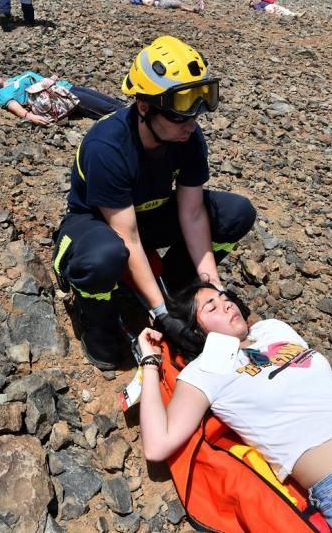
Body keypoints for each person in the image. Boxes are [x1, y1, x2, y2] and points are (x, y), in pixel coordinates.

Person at [53, 36, 256, 370]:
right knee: (104, 257)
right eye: (180, 115)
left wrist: (212, 285)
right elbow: (127, 236)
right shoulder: (107, 146)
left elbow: (192, 214)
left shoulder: (187, 136)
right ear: (145, 107)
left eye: (197, 110)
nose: (192, 124)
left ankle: (182, 284)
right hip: (100, 224)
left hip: (150, 215)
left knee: (236, 213)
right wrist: (161, 313)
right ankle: (95, 311)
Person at [138, 281, 332, 533]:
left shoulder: (273, 329)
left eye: (225, 298)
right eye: (212, 307)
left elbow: (321, 382)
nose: (227, 305)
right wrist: (150, 361)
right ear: (195, 330)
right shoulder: (205, 370)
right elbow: (158, 445)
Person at [0, 71, 123, 125]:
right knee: (109, 110)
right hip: (64, 99)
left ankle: (141, 115)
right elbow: (13, 106)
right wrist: (30, 117)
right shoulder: (2, 94)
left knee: (112, 103)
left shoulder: (13, 79)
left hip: (65, 87)